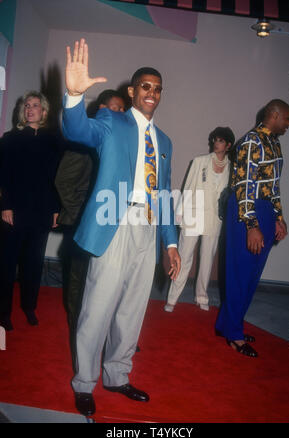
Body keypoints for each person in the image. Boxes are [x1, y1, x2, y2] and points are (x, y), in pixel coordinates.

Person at [62, 38, 180, 416]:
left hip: (147, 227)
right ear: (132, 91)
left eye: (158, 89)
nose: (152, 93)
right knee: (97, 308)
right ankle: (84, 382)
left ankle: (117, 375)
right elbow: (78, 132)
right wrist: (73, 96)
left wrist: (171, 244)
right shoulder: (112, 121)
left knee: (132, 310)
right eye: (146, 86)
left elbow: (163, 195)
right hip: (115, 221)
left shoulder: (164, 142)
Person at [55, 89, 125, 372]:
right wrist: (84, 213)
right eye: (116, 108)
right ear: (102, 110)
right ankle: (78, 336)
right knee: (80, 286)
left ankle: (108, 337)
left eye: (123, 109)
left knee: (108, 286)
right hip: (85, 228)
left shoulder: (120, 143)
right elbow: (63, 182)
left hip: (112, 228)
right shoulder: (83, 144)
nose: (121, 114)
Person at [215, 99, 289, 357]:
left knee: (252, 275)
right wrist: (251, 225)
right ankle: (234, 334)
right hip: (247, 211)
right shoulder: (251, 142)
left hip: (266, 210)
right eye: (287, 118)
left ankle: (227, 324)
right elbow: (244, 185)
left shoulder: (274, 142)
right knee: (239, 274)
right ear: (275, 115)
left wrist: (279, 217)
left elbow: (274, 185)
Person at [0, 91, 62, 331]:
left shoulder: (53, 141)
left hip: (41, 211)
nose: (30, 109)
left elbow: (57, 178)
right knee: (6, 263)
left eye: (35, 105)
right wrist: (5, 205)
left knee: (34, 263)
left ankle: (29, 307)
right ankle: (3, 312)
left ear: (44, 112)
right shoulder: (9, 138)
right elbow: (3, 174)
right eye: (26, 105)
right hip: (13, 210)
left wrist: (56, 209)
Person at [164, 127, 235, 312]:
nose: (215, 143)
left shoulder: (232, 167)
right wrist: (180, 212)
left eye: (219, 140)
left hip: (214, 219)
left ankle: (201, 296)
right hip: (193, 215)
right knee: (183, 257)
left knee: (207, 259)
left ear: (228, 145)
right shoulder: (199, 161)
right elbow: (187, 187)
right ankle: (172, 298)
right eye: (214, 140)